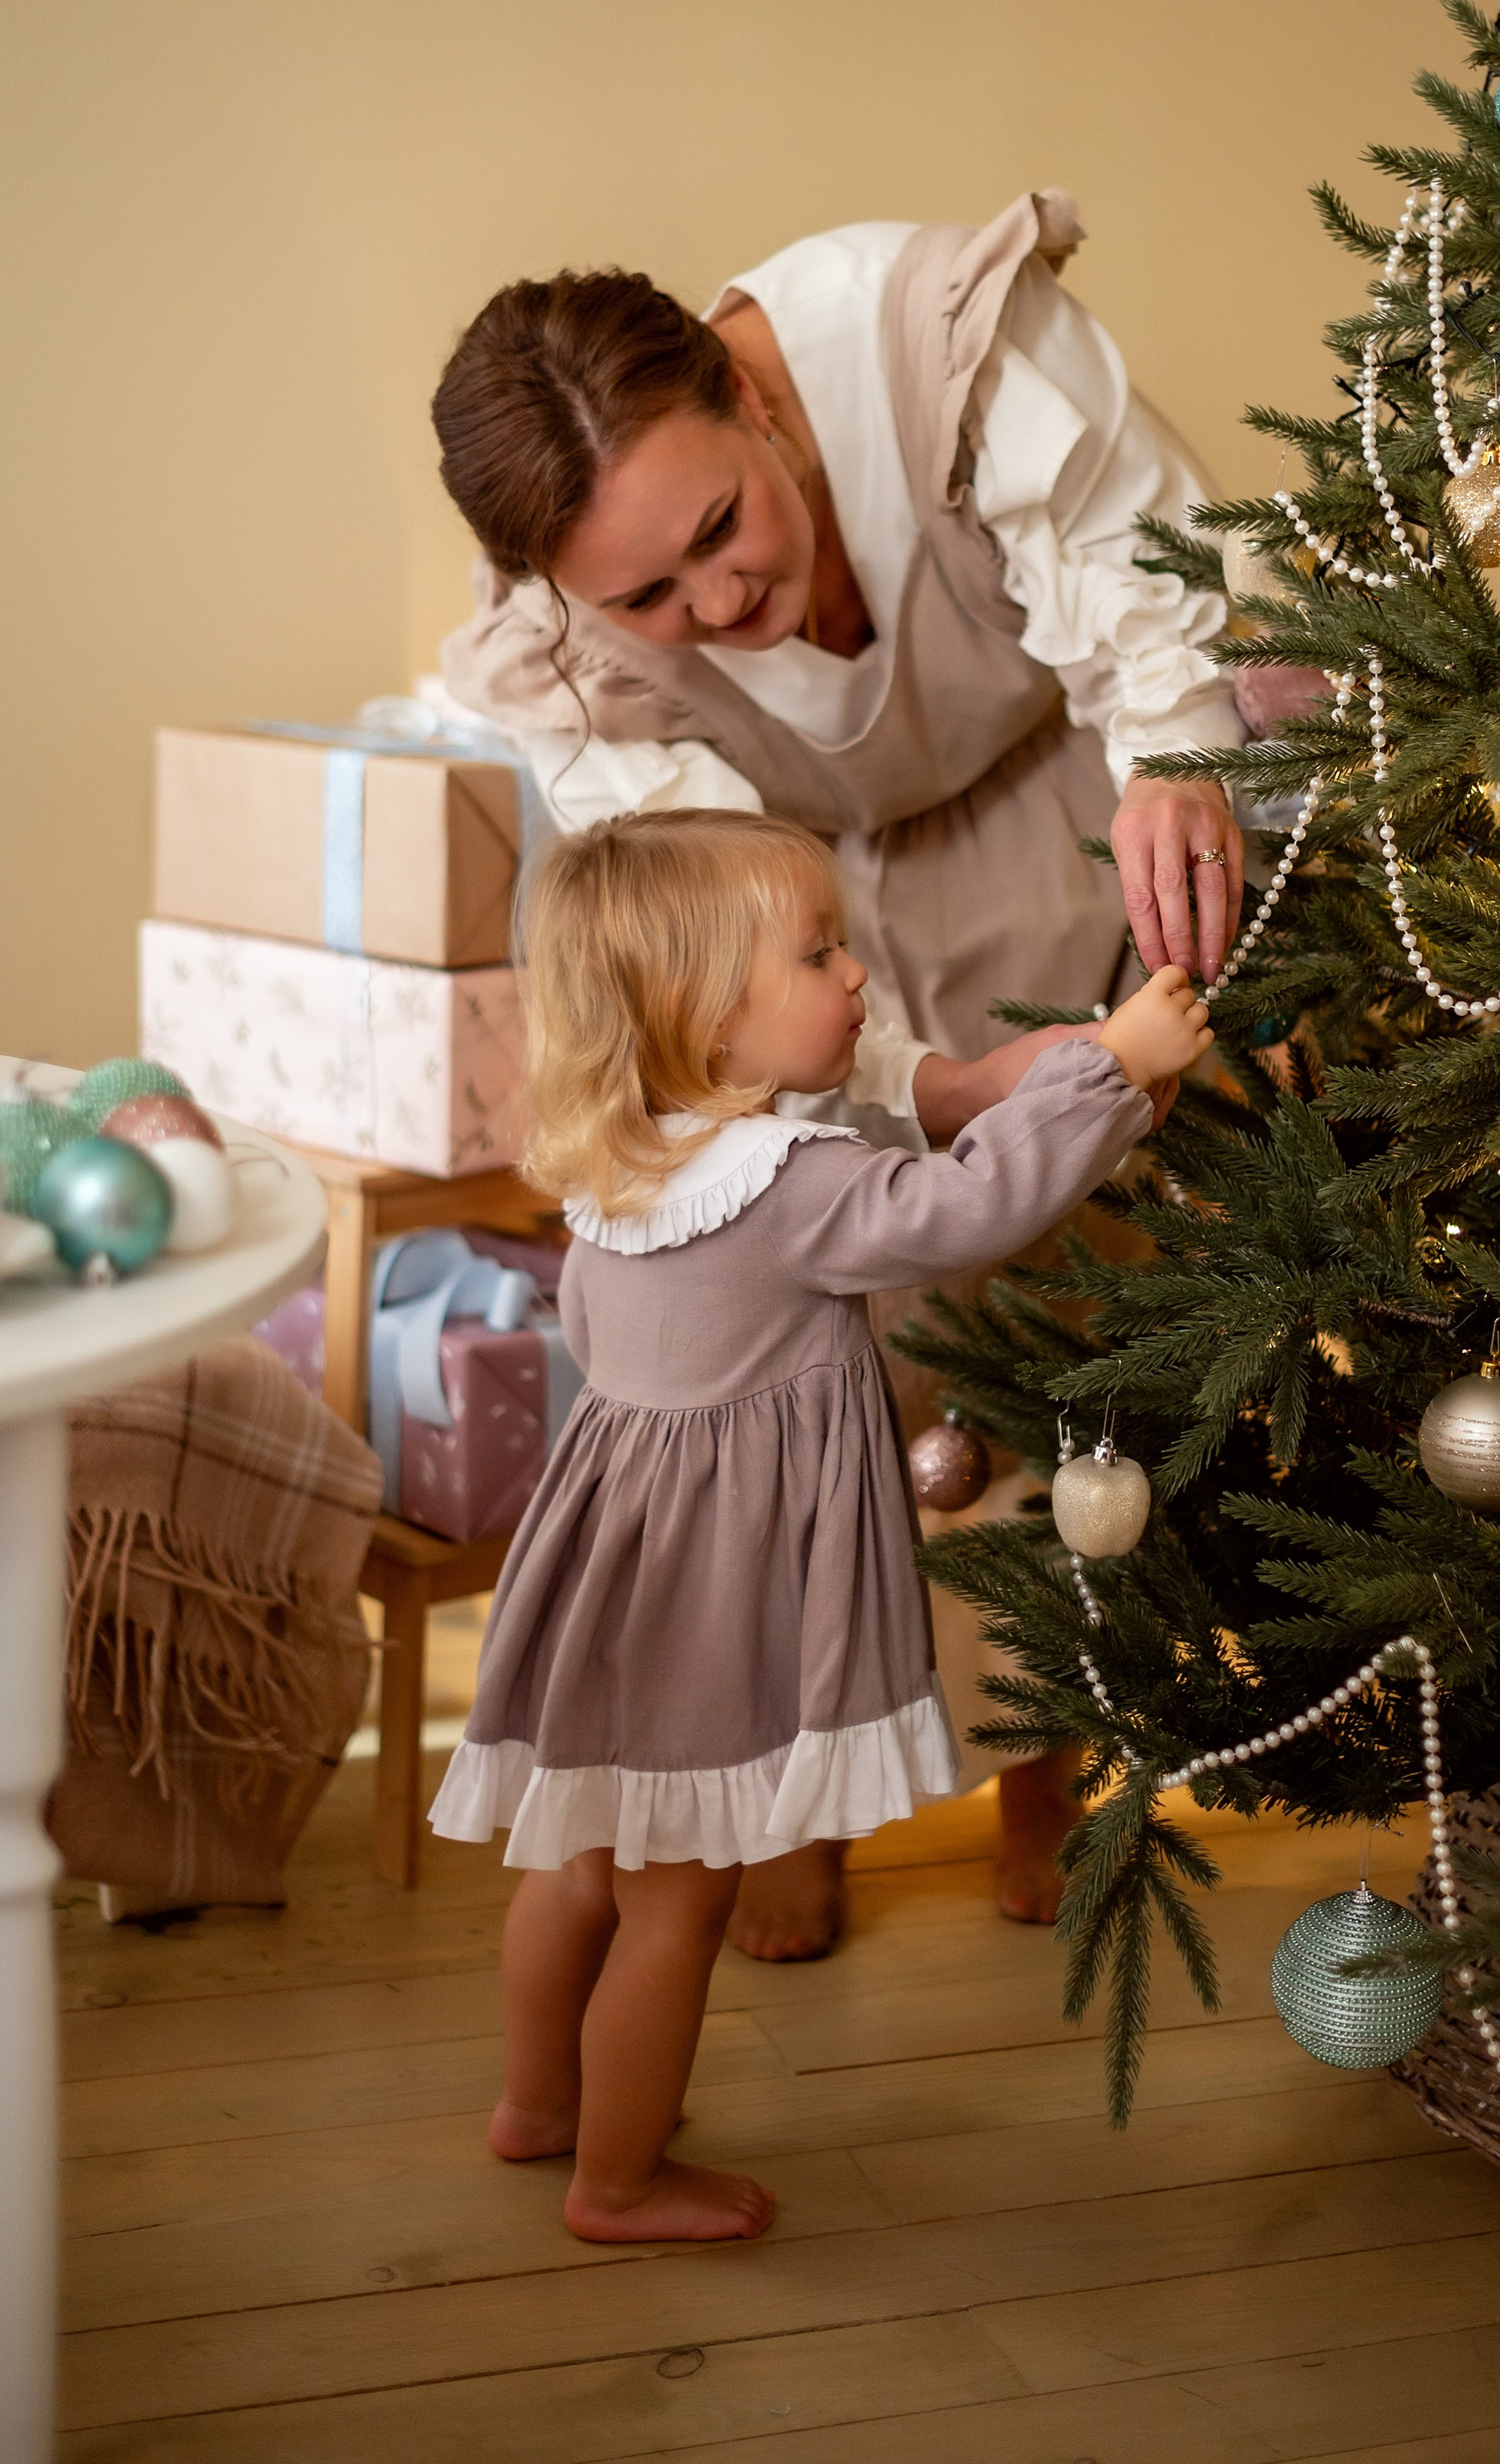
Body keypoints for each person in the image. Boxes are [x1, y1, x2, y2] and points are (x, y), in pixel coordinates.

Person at [433, 188, 1245, 1954]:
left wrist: (1179, 756)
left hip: (1061, 807)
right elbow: (693, 928)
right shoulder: (572, 660)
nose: (714, 599)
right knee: (815, 1330)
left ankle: (1043, 1754)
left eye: (718, 527)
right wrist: (916, 1081)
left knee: (1069, 1298)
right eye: (644, 594)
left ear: (754, 395)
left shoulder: (932, 344)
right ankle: (796, 1778)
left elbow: (1141, 580)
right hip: (790, 912)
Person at [428, 807, 1213, 2243]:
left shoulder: (619, 1172)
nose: (858, 979)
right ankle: (616, 2179)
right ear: (703, 1013)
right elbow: (968, 1209)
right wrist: (1109, 1067)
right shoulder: (791, 1186)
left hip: (603, 1570)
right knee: (680, 1901)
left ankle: (539, 2106)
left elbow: (600, 1344)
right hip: (706, 1598)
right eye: (820, 953)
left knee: (578, 1865)